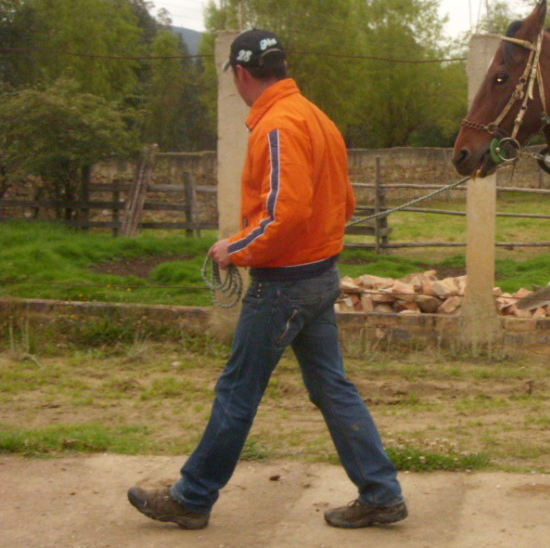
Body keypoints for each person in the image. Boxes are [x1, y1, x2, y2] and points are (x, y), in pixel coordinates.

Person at [127, 29, 406, 530]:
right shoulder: (317, 117)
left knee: (238, 390)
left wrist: (234, 248)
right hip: (320, 276)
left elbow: (285, 213)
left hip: (284, 285)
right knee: (332, 389)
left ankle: (192, 498)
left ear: (241, 73)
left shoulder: (277, 126)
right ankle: (382, 493)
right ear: (280, 66)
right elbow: (346, 202)